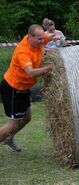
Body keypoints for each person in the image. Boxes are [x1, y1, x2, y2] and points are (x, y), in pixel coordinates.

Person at [0, 24, 59, 152]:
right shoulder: (23, 51)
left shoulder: (39, 39)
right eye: (39, 39)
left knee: (27, 118)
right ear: (30, 37)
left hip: (24, 88)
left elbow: (48, 36)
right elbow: (31, 72)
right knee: (12, 125)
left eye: (43, 38)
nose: (43, 41)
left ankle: (8, 139)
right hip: (13, 88)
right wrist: (48, 68)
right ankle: (6, 135)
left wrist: (55, 36)